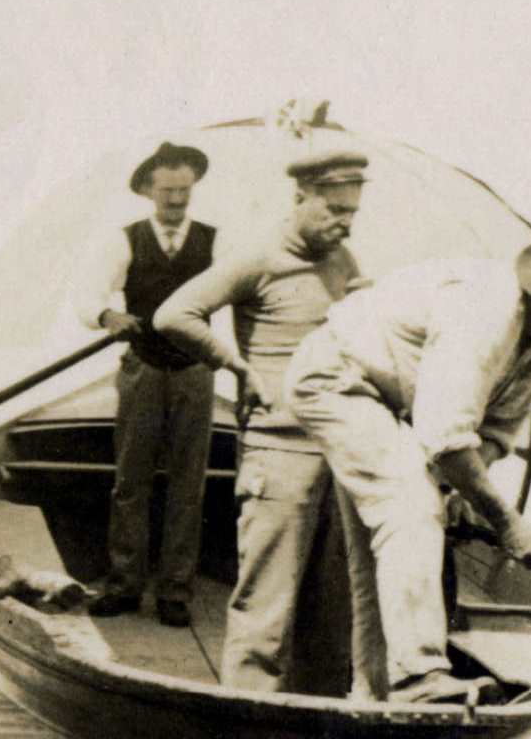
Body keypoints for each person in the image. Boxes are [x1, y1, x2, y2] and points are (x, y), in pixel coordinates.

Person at [284, 219, 531, 703]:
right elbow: (446, 435)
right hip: (336, 379)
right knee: (410, 504)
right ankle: (418, 679)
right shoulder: (486, 310)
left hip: (395, 407)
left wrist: (457, 488)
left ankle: (373, 696)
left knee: (384, 553)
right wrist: (506, 521)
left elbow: (494, 431)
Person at [153, 146, 369, 691]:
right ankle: (247, 706)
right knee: (266, 597)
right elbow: (173, 314)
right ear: (302, 197)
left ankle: (322, 719)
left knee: (333, 599)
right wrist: (235, 365)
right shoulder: (257, 256)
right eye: (335, 210)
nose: (344, 224)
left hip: (339, 448)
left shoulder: (341, 258)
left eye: (352, 212)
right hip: (279, 450)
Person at [75, 142, 217, 628]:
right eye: (167, 191)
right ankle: (125, 585)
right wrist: (107, 314)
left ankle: (175, 593)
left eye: (183, 190)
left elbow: (243, 296)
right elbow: (87, 297)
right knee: (130, 482)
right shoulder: (125, 240)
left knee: (188, 487)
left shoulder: (216, 242)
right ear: (148, 192)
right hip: (143, 370)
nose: (176, 200)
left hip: (196, 373)